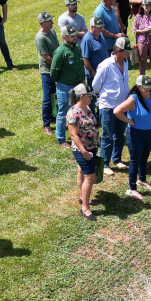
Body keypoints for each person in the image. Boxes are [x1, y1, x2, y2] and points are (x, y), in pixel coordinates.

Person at [115, 75, 151, 200]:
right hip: (136, 135)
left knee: (144, 158)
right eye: (146, 87)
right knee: (135, 160)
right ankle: (131, 188)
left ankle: (142, 179)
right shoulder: (133, 99)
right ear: (139, 87)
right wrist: (129, 121)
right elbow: (117, 111)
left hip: (149, 133)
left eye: (150, 87)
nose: (148, 90)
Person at [92, 37, 132, 176]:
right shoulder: (105, 65)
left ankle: (117, 159)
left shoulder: (125, 62)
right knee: (108, 136)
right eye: (127, 52)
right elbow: (95, 86)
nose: (129, 54)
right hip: (108, 106)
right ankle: (104, 164)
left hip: (122, 106)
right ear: (119, 51)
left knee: (120, 134)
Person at [66, 83, 101, 221]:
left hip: (92, 146)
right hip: (83, 149)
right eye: (89, 95)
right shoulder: (73, 113)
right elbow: (74, 135)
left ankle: (82, 197)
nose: (91, 97)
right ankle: (85, 208)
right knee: (90, 177)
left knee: (81, 170)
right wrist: (84, 152)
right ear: (81, 96)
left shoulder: (87, 108)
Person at [50, 26, 84, 148]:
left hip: (77, 86)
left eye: (75, 35)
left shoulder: (77, 48)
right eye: (71, 36)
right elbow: (53, 73)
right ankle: (61, 138)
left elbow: (81, 65)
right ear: (64, 37)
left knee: (77, 111)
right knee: (63, 112)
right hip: (65, 87)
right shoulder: (60, 52)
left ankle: (77, 134)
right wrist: (61, 82)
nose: (75, 37)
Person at [35, 11, 60, 136]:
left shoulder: (53, 32)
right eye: (49, 20)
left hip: (56, 68)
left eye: (51, 19)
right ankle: (46, 124)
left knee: (55, 96)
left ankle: (54, 117)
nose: (51, 22)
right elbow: (46, 57)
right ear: (42, 23)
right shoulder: (40, 38)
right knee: (47, 98)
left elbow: (58, 48)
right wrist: (57, 68)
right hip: (47, 71)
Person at [81, 17, 108, 81]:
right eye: (99, 27)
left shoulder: (100, 34)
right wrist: (92, 72)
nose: (101, 29)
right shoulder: (87, 39)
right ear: (92, 27)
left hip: (105, 72)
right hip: (95, 75)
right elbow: (85, 58)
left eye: (101, 27)